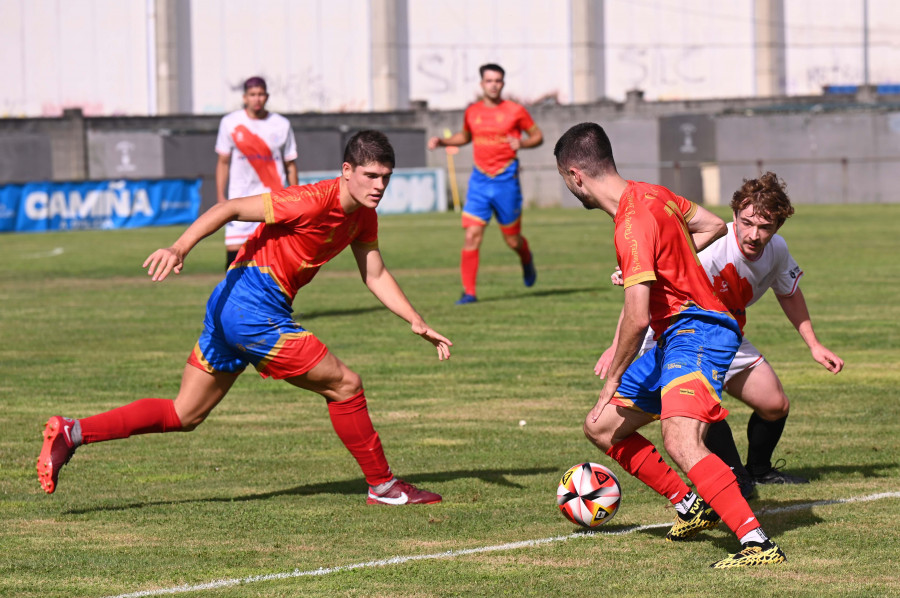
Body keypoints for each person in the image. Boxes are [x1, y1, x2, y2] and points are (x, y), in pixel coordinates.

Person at [37, 131, 450, 506]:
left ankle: (72, 432)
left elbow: (374, 273)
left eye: (386, 178)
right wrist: (180, 248)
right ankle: (383, 486)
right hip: (252, 312)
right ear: (347, 171)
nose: (379, 186)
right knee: (346, 386)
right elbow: (229, 207)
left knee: (185, 414)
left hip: (228, 306)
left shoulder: (363, 217)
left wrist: (415, 319)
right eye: (371, 175)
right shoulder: (309, 199)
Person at [554, 122, 785, 568]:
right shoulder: (652, 194)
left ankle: (757, 543)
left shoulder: (630, 225)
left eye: (566, 181)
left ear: (575, 175)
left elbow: (637, 316)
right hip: (675, 335)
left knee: (680, 438)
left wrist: (614, 376)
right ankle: (690, 505)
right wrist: (666, 269)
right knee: (601, 426)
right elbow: (714, 224)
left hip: (699, 330)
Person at [596, 172, 844, 493]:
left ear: (778, 227)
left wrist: (814, 344)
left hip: (725, 336)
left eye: (765, 227)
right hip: (678, 337)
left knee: (775, 404)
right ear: (734, 217)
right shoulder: (708, 246)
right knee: (702, 410)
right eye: (747, 222)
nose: (753, 234)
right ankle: (735, 479)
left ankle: (758, 470)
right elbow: (642, 290)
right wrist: (616, 344)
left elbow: (789, 293)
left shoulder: (777, 251)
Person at [427, 63, 543, 305]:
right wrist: (442, 142)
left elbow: (537, 136)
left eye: (498, 80)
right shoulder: (472, 112)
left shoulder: (515, 111)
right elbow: (465, 137)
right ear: (481, 84)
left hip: (505, 181)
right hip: (479, 181)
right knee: (472, 236)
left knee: (512, 240)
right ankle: (469, 292)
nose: (493, 85)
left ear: (503, 83)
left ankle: (525, 256)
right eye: (489, 80)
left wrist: (522, 144)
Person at [216, 76, 299, 269]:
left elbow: (290, 165)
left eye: (261, 94)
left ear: (267, 96)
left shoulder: (281, 124)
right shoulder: (230, 123)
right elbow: (222, 162)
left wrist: (296, 198)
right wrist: (221, 196)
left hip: (273, 200)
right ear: (245, 97)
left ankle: (271, 299)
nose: (257, 99)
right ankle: (234, 299)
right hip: (239, 199)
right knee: (234, 261)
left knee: (273, 261)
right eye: (253, 94)